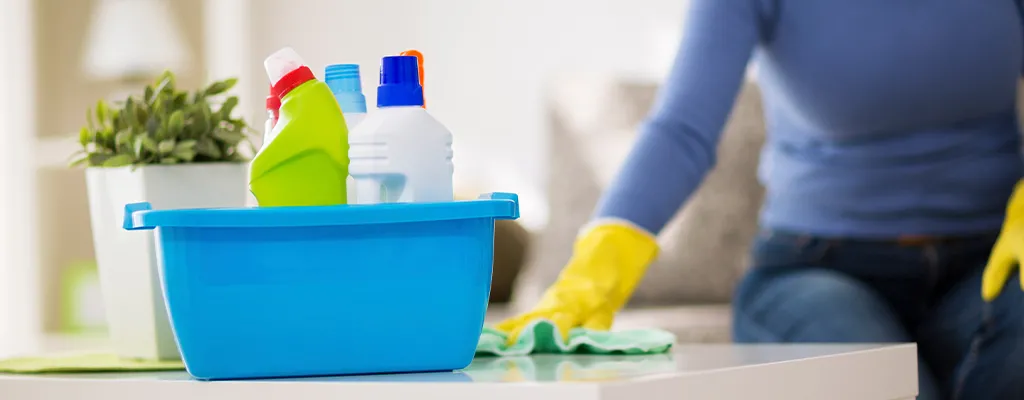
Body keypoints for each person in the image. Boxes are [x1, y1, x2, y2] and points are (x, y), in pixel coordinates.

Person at [496, 1, 1024, 399]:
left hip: (992, 261)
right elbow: (681, 131)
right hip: (818, 269)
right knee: (882, 384)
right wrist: (592, 275)